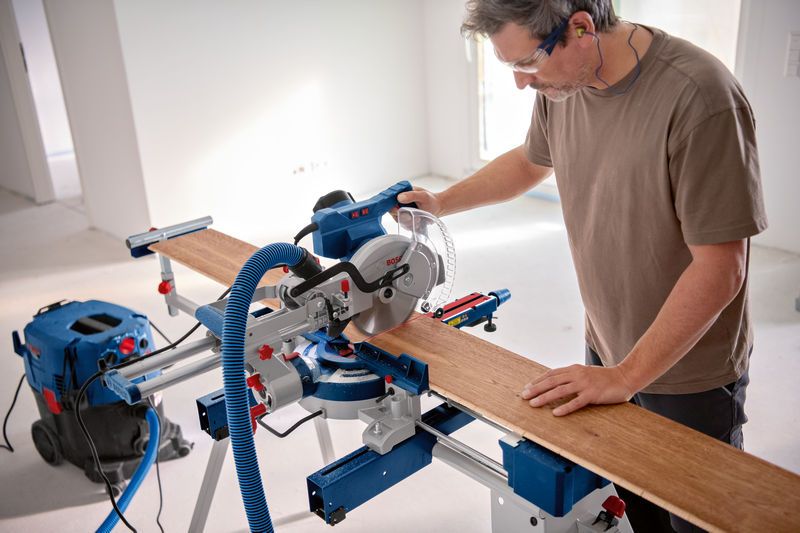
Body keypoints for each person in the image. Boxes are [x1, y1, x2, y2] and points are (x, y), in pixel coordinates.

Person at [397, 1, 767, 531]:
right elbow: (530, 161)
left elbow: (721, 269)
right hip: (608, 345)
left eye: (527, 63)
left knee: (697, 523)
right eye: (511, 68)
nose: (523, 84)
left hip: (690, 373)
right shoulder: (564, 85)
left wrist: (625, 376)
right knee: (639, 506)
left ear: (581, 28)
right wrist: (441, 202)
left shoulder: (701, 97)